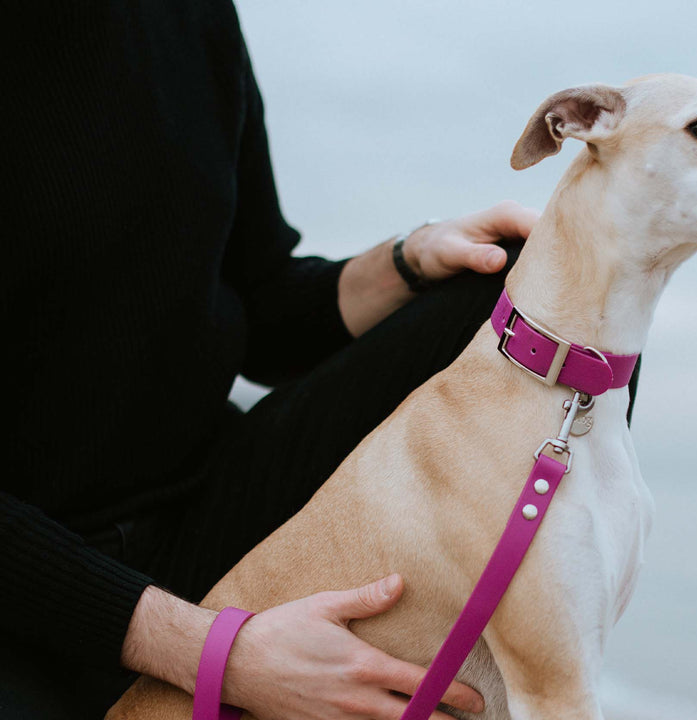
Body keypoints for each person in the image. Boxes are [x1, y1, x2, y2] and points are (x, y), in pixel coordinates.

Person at [0, 2, 570, 718]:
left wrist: (408, 263)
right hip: (23, 588)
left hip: (198, 514)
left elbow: (261, 302)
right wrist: (217, 653)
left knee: (537, 287)